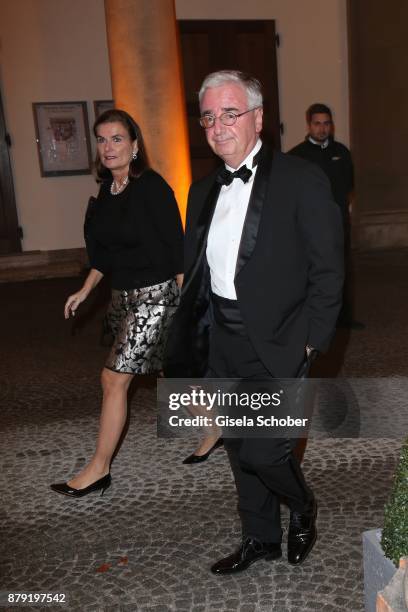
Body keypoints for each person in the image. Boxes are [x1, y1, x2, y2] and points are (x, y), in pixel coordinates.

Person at [164, 71, 344, 573]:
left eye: (230, 113)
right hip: (222, 336)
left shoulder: (302, 179)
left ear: (258, 117)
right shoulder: (200, 191)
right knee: (240, 448)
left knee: (266, 452)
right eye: (209, 117)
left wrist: (311, 342)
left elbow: (329, 268)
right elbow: (199, 272)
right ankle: (259, 537)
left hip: (283, 338)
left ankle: (303, 505)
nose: (219, 126)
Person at [50, 109, 183, 498]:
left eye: (118, 139)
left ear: (136, 146)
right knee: (167, 375)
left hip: (157, 297)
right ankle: (219, 427)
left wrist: (187, 307)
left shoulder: (153, 188)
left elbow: (178, 251)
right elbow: (104, 258)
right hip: (122, 299)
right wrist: (85, 290)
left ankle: (99, 468)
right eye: (102, 140)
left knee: (113, 378)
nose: (109, 147)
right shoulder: (105, 195)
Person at [289, 103, 363, 329]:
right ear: (309, 125)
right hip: (308, 226)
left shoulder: (342, 152)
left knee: (341, 269)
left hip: (339, 222)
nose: (322, 129)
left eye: (326, 124)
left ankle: (343, 319)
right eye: (317, 124)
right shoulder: (296, 156)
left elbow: (349, 184)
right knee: (310, 272)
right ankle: (312, 320)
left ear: (332, 126)